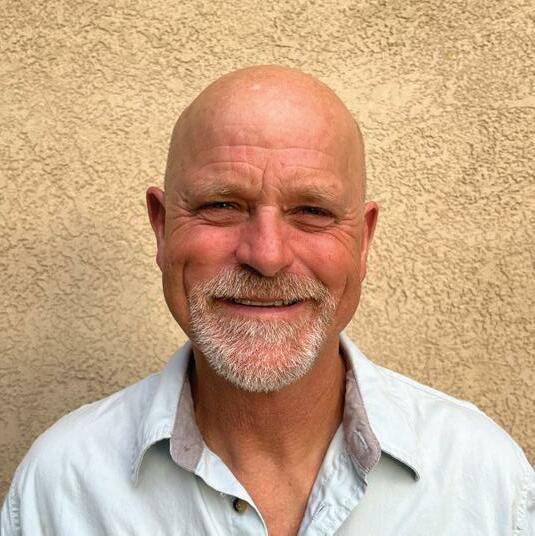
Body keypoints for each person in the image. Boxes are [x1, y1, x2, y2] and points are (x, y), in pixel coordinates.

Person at [1, 65, 534, 536]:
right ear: (161, 228)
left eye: (312, 211)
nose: (267, 255)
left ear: (363, 241)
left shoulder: (486, 484)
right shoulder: (61, 486)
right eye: (222, 204)